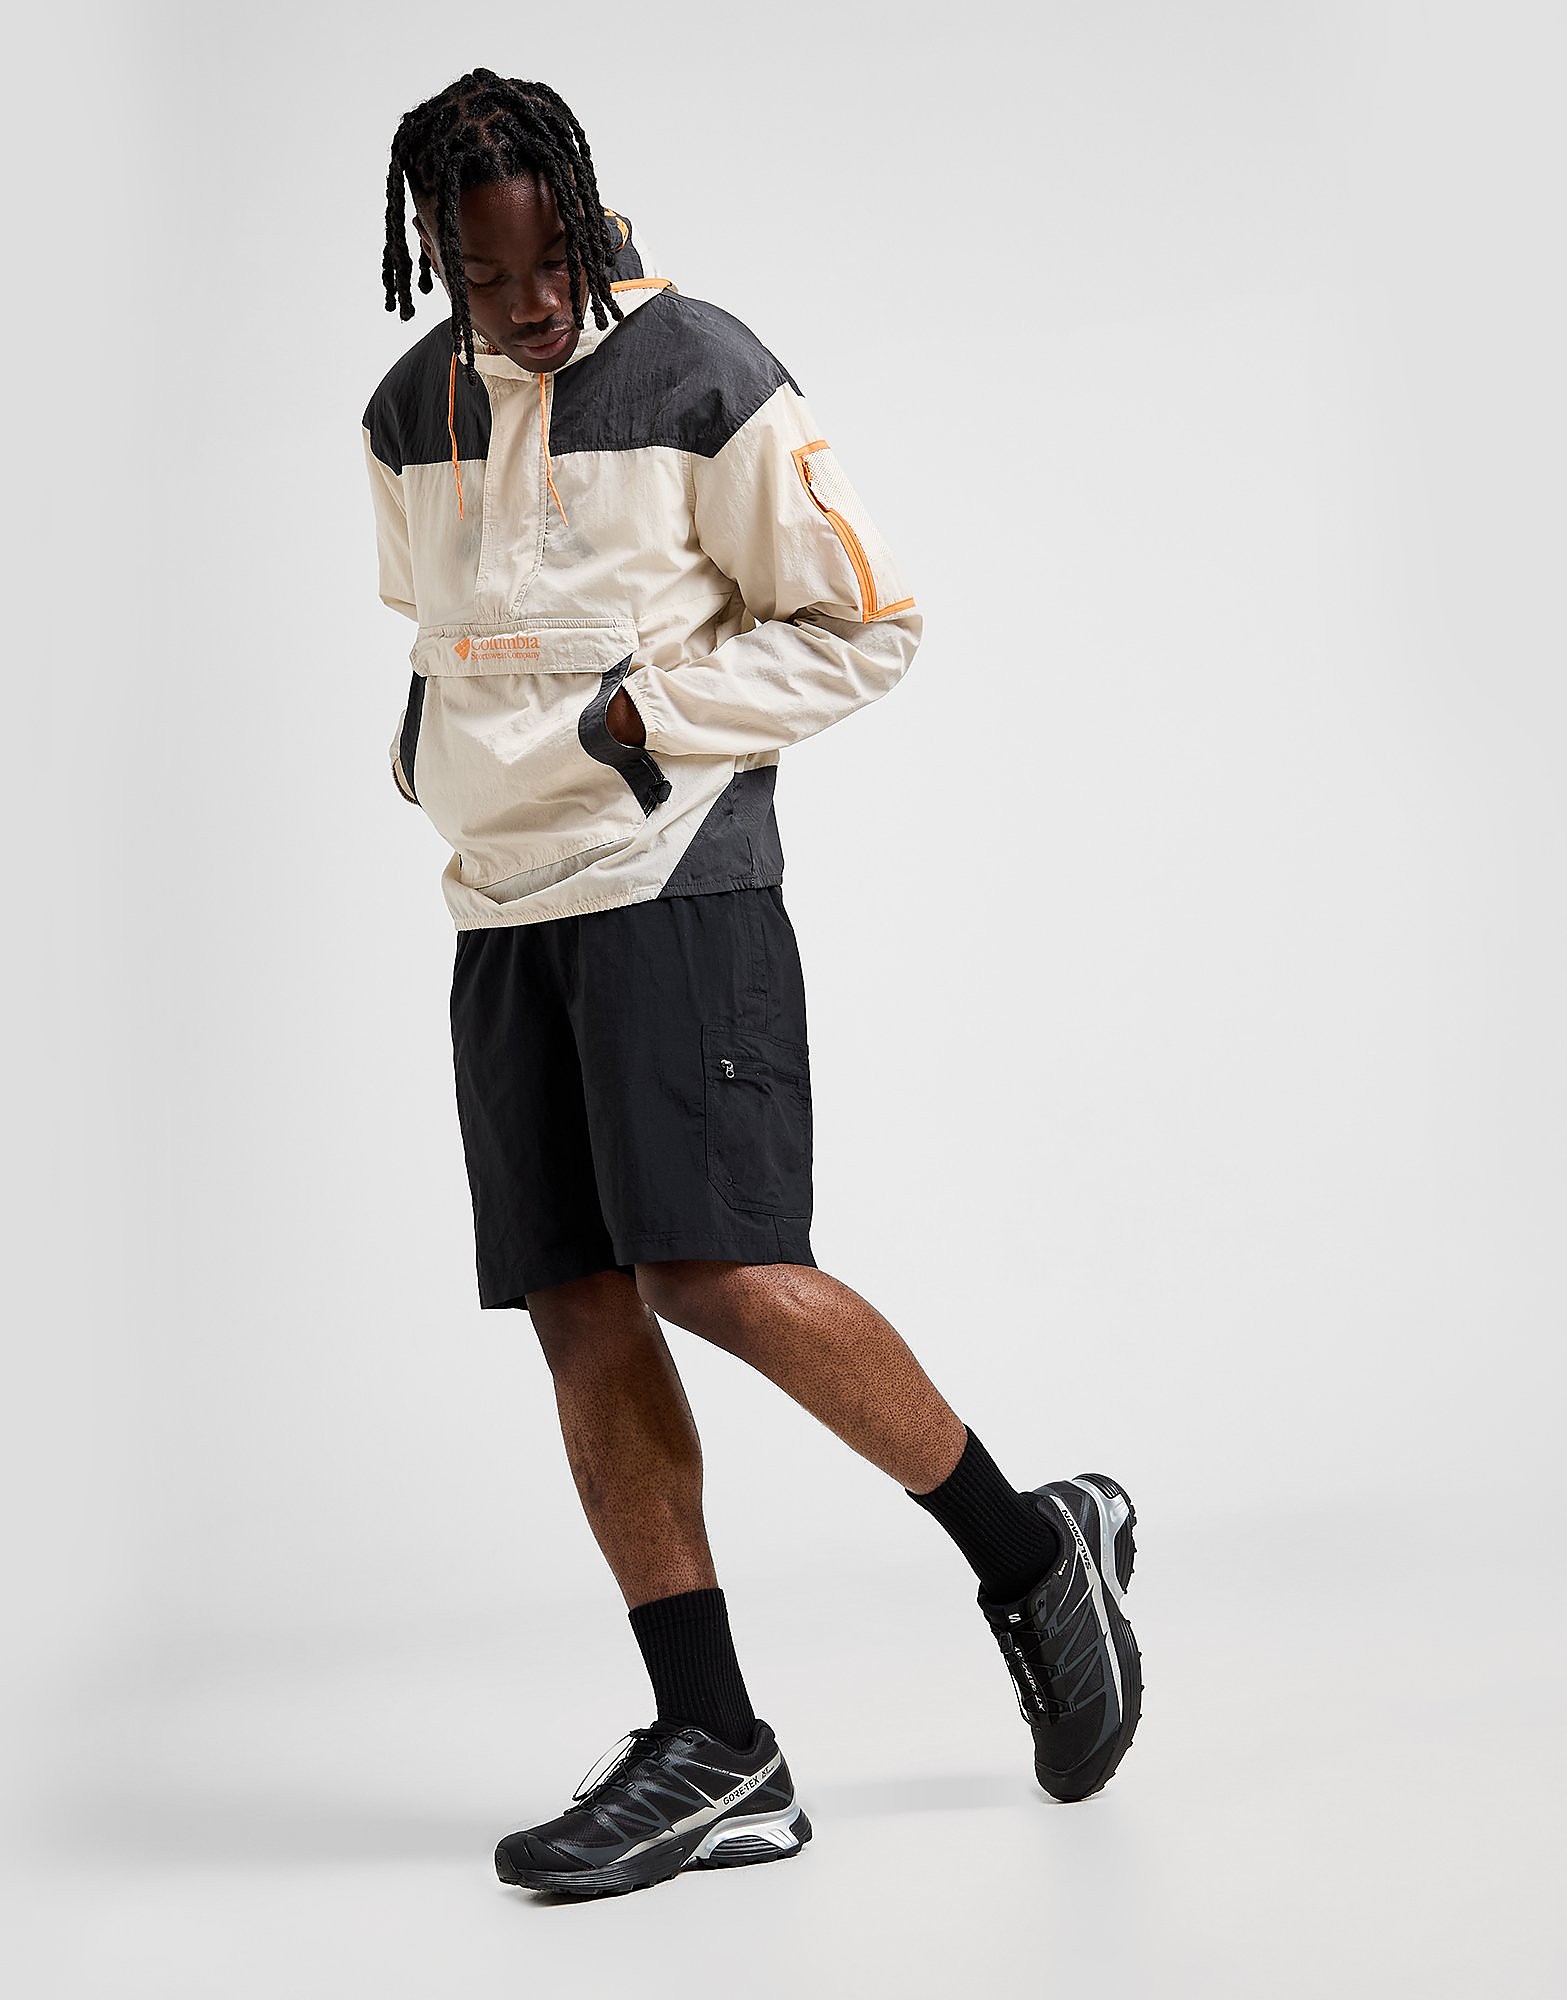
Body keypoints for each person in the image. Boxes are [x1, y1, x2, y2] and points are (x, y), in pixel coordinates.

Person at [361, 67, 1142, 1901]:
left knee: (713, 1270)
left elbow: (867, 623)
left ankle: (1031, 1550)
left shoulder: (705, 371)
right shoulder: (405, 412)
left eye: (548, 266)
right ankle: (716, 1742)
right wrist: (436, 761)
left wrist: (648, 722)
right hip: (498, 903)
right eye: (485, 277)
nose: (527, 305)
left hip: (670, 883)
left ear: (585, 219)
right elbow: (435, 629)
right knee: (577, 1303)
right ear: (438, 260)